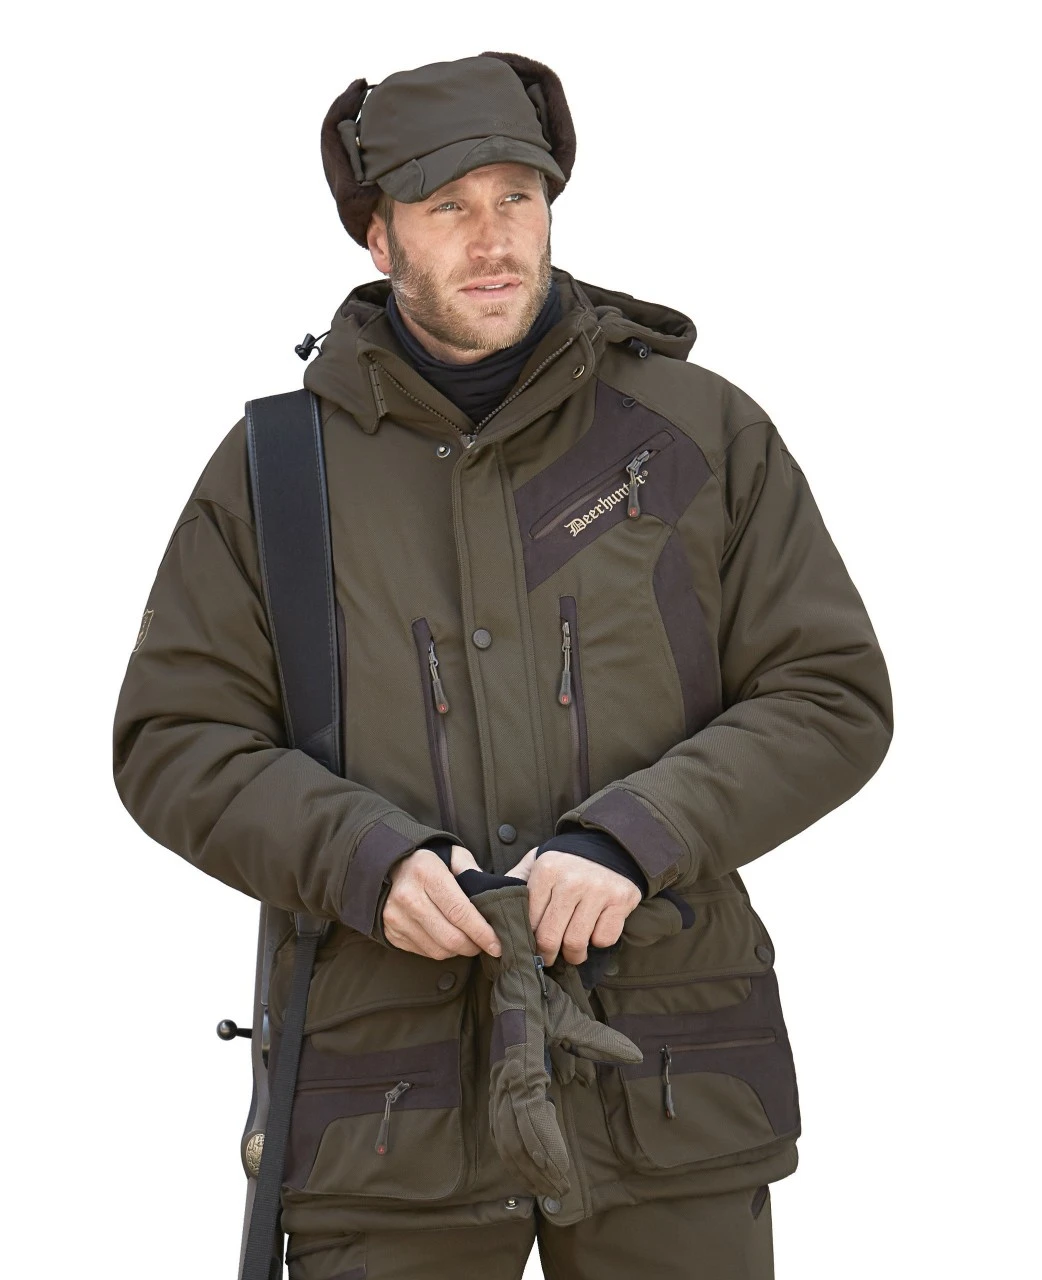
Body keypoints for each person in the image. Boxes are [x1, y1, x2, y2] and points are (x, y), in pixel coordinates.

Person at [112, 51, 894, 1280]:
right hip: (387, 1102)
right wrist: (365, 858)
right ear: (378, 235)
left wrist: (635, 835)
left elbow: (828, 692)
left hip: (664, 1076)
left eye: (515, 198)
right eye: (447, 208)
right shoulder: (277, 472)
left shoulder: (695, 433)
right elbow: (175, 738)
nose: (492, 241)